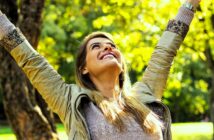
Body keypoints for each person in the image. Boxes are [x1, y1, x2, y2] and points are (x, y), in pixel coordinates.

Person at [0, 0, 201, 139]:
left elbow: (165, 51)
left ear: (122, 65)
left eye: (112, 45)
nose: (108, 47)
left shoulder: (145, 95)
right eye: (96, 46)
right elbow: (29, 58)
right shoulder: (68, 100)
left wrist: (189, 5)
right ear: (84, 68)